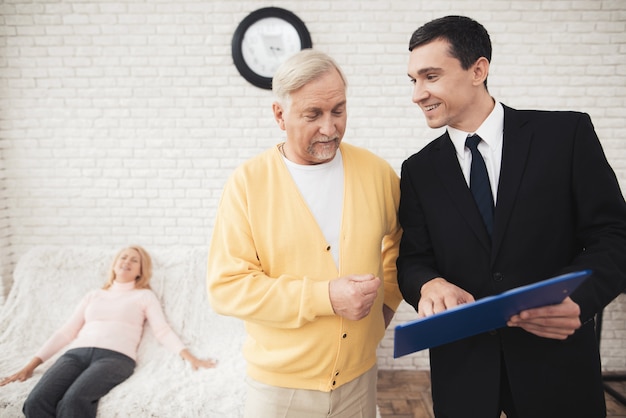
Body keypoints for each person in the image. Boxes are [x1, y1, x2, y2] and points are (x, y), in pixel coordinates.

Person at [397, 15, 626, 418]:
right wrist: (428, 284)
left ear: (478, 70)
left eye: (430, 76)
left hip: (557, 371)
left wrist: (581, 299)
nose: (418, 94)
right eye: (413, 80)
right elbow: (414, 259)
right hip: (462, 376)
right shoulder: (418, 170)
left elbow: (614, 236)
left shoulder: (566, 135)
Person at [207, 48, 402, 418]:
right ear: (280, 115)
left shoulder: (377, 173)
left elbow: (403, 240)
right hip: (279, 389)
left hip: (360, 382)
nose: (330, 128)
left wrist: (386, 302)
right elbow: (226, 288)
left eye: (338, 111)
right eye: (313, 114)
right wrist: (324, 296)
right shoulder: (247, 184)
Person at [0, 245, 217, 418]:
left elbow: (162, 331)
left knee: (74, 401)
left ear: (141, 271)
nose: (127, 262)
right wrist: (30, 366)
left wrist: (191, 358)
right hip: (75, 355)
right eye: (124, 257)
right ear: (114, 264)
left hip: (115, 359)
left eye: (135, 260)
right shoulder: (94, 295)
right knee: (36, 402)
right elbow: (66, 332)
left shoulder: (144, 296)